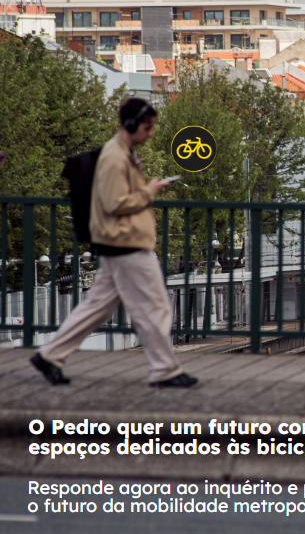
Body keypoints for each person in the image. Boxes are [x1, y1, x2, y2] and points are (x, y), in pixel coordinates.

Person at [31, 98, 198, 388]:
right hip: (126, 244)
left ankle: (50, 354)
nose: (151, 133)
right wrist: (150, 191)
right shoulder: (115, 158)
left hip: (118, 242)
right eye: (148, 128)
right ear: (132, 125)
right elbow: (113, 203)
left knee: (97, 307)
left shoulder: (123, 154)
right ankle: (164, 370)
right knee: (155, 307)